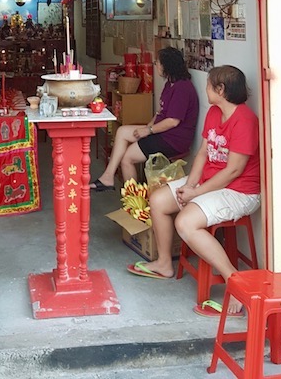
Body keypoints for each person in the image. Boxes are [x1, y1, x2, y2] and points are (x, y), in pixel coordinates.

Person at [127, 65, 260, 318]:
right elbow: (202, 154)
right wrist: (189, 185)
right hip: (210, 183)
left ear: (221, 90)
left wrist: (196, 194)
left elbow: (233, 171)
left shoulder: (245, 120)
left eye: (209, 85)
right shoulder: (214, 112)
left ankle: (236, 283)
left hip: (239, 191)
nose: (206, 89)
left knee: (185, 222)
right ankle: (164, 263)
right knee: (158, 200)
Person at [90, 47, 199, 191]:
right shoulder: (170, 84)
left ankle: (133, 199)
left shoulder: (182, 88)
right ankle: (108, 177)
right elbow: (160, 112)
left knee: (127, 158)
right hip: (161, 132)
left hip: (172, 140)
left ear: (167, 65)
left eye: (158, 62)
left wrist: (149, 130)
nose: (156, 65)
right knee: (122, 131)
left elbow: (173, 121)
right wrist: (148, 126)